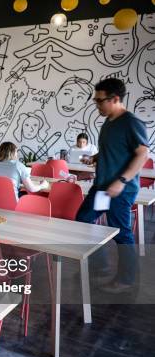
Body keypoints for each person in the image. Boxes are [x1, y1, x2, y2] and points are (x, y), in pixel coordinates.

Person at [76, 78, 149, 293]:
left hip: (120, 189)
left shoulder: (131, 122)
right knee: (83, 221)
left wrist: (122, 180)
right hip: (102, 187)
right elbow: (116, 149)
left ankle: (127, 279)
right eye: (95, 100)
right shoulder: (108, 122)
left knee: (121, 232)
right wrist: (96, 157)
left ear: (115, 99)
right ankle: (101, 266)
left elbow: (142, 154)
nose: (97, 105)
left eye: (100, 101)